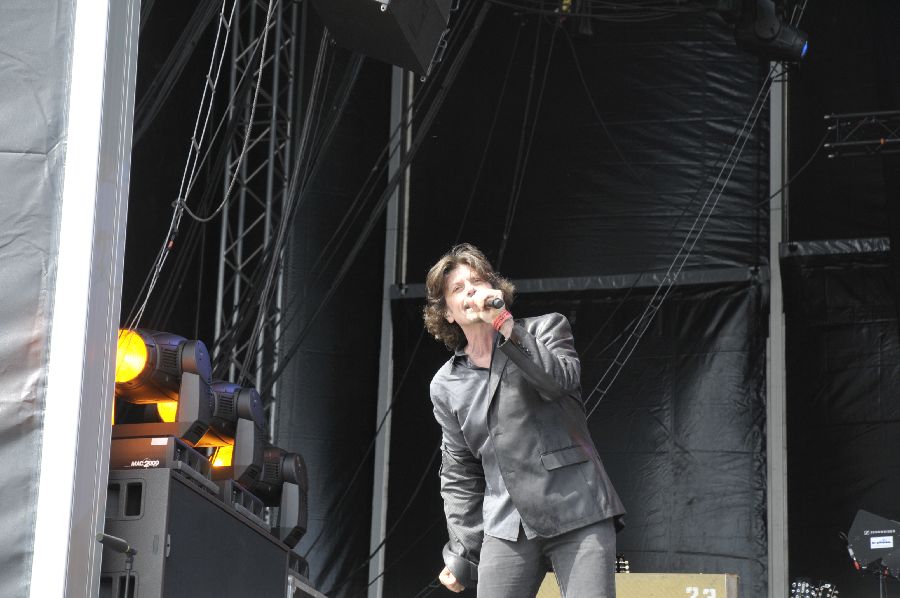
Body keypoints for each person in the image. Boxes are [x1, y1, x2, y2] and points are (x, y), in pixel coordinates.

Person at [423, 243, 625, 598]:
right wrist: (464, 551)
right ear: (448, 313)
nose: (470, 291)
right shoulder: (446, 384)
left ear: (494, 289)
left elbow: (557, 382)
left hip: (576, 504)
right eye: (457, 288)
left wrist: (505, 326)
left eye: (477, 281)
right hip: (506, 523)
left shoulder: (546, 329)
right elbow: (459, 472)